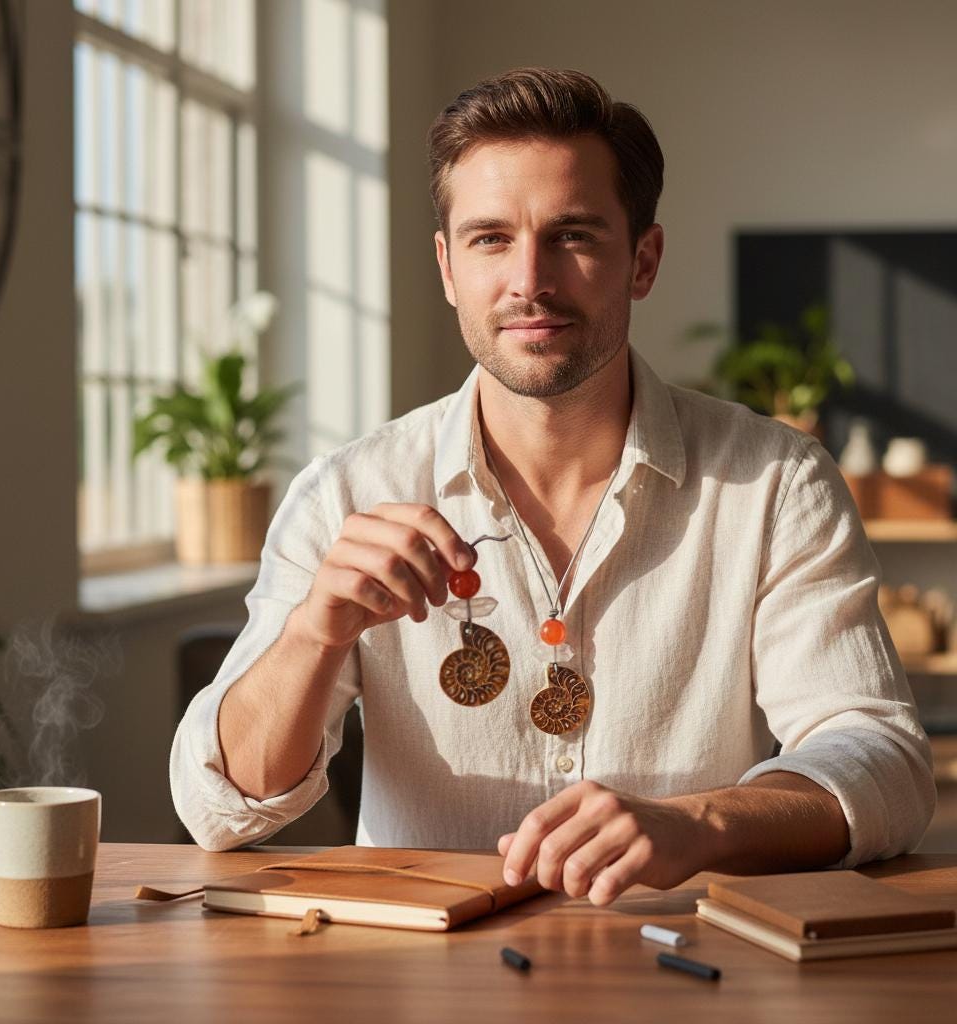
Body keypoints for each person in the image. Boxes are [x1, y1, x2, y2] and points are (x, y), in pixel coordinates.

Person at [171, 68, 934, 905]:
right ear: (447, 266)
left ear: (643, 260)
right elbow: (219, 808)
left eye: (572, 235)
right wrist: (315, 634)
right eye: (490, 239)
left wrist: (700, 824)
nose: (528, 279)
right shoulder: (345, 492)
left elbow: (883, 760)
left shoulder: (776, 485)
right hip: (422, 981)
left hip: (685, 966)